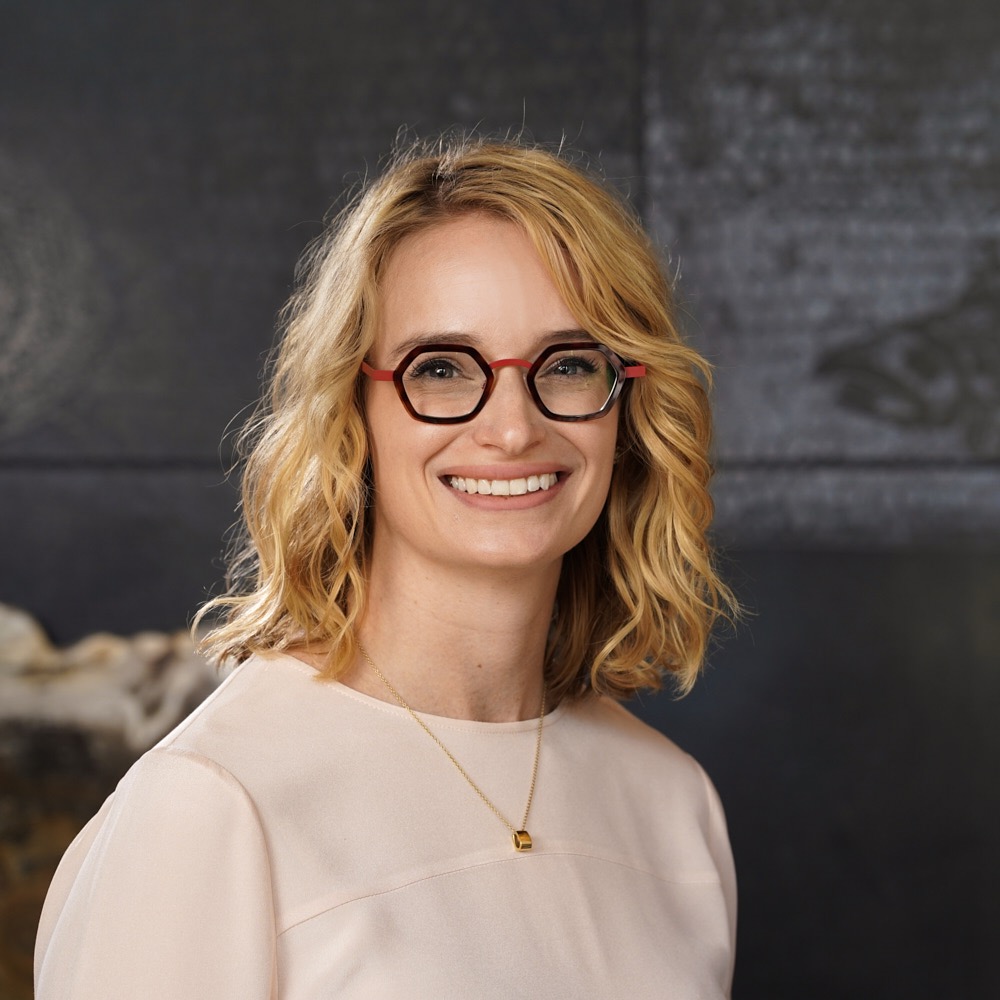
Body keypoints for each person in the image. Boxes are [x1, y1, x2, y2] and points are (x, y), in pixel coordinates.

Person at [35, 134, 739, 998]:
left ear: (626, 407)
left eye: (568, 364)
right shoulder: (210, 806)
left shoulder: (673, 805)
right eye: (440, 368)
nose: (513, 427)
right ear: (351, 411)